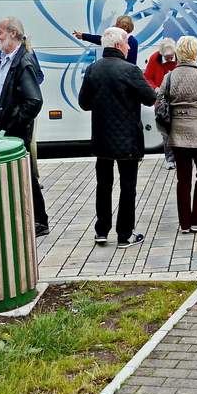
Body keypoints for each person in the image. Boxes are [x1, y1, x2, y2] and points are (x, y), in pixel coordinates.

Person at [78, 27, 157, 248]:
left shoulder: (92, 70)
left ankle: (101, 231)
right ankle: (124, 235)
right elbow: (150, 97)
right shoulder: (130, 70)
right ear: (117, 45)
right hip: (127, 139)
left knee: (103, 186)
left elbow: (84, 103)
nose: (129, 47)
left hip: (102, 138)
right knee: (128, 186)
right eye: (126, 43)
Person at [0, 17, 50, 237]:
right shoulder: (4, 58)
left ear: (12, 33)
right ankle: (21, 219)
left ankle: (39, 221)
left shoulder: (23, 61)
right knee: (16, 175)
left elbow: (34, 101)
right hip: (4, 127)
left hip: (14, 130)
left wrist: (14, 123)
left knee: (25, 174)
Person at [160, 36, 197, 232]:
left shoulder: (169, 77)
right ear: (195, 53)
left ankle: (184, 223)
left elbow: (160, 103)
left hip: (177, 134)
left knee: (183, 179)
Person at [0, 38, 45, 183]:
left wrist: (26, 86)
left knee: (24, 163)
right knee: (14, 167)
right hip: (3, 118)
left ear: (13, 34)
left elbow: (39, 77)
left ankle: (32, 189)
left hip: (18, 115)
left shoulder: (27, 55)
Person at [144, 38, 178, 169]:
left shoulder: (179, 57)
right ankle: (169, 159)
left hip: (177, 99)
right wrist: (155, 88)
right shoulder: (154, 58)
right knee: (165, 132)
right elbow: (147, 77)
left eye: (171, 57)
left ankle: (179, 158)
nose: (169, 60)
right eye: (167, 57)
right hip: (161, 101)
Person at [73, 15, 138, 63]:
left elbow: (126, 59)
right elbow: (100, 39)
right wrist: (83, 36)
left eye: (117, 25)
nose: (115, 27)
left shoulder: (132, 42)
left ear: (125, 27)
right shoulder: (117, 39)